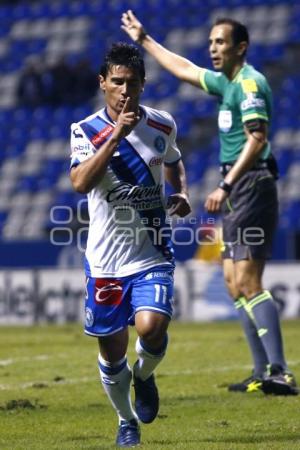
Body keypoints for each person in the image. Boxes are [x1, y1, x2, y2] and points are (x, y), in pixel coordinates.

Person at [121, 11, 298, 396]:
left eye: (220, 42)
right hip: (240, 188)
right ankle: (261, 371)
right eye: (211, 42)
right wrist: (145, 39)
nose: (212, 48)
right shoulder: (227, 83)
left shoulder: (249, 84)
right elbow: (184, 68)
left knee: (249, 281)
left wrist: (226, 184)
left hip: (250, 184)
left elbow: (257, 138)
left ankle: (281, 372)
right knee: (234, 284)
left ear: (241, 47)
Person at [69, 42, 191, 447]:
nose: (125, 91)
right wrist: (117, 134)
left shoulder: (162, 124)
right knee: (111, 351)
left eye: (133, 83)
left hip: (151, 250)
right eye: (117, 82)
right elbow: (81, 182)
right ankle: (126, 422)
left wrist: (182, 191)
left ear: (143, 84)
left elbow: (172, 160)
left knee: (151, 327)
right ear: (103, 83)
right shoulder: (85, 131)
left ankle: (144, 376)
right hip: (104, 261)